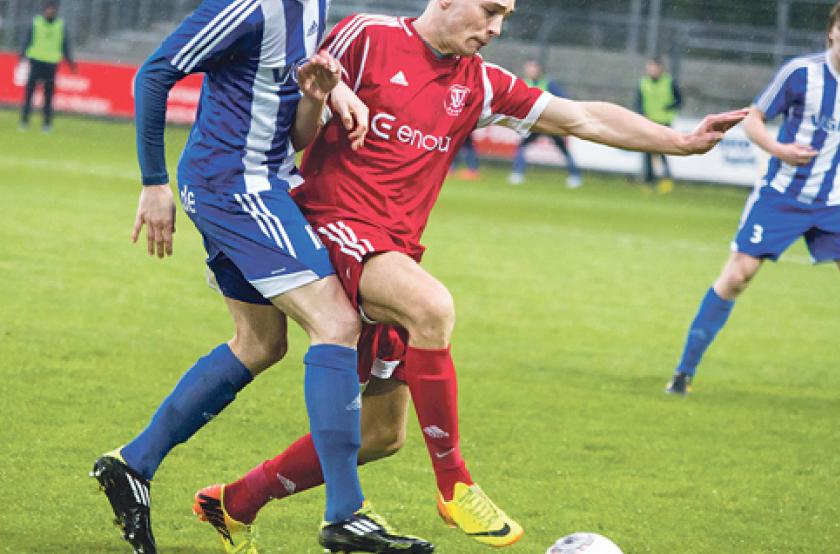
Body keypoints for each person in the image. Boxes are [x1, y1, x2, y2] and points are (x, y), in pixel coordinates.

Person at [190, 1, 747, 551]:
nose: (496, 28)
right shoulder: (365, 35)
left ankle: (234, 503)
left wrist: (679, 141)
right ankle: (455, 484)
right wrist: (325, 96)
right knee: (431, 308)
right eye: (488, 11)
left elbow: (580, 115)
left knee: (383, 435)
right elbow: (298, 108)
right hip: (332, 225)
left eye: (504, 16)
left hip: (396, 250)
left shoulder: (479, 83)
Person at [88, 2, 433, 553]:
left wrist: (318, 96)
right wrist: (153, 183)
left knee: (261, 342)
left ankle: (133, 463)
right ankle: (345, 512)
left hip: (262, 183)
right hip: (235, 187)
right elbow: (154, 73)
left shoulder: (312, 7)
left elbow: (293, 137)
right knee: (337, 322)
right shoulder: (252, 7)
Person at [664, 0, 840, 415]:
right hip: (782, 194)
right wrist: (779, 149)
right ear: (830, 32)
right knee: (737, 276)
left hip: (838, 201)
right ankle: (683, 374)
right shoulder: (801, 73)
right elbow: (754, 118)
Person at [508, 59, 582, 188]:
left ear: (538, 70)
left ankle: (575, 176)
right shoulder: (523, 83)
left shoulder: (548, 83)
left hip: (549, 124)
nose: (530, 71)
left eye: (533, 68)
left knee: (562, 149)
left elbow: (563, 98)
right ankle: (517, 174)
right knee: (522, 146)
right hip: (535, 124)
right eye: (528, 68)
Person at [18, 1, 75, 133]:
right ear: (44, 11)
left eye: (52, 10)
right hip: (36, 62)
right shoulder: (36, 22)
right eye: (48, 9)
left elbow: (65, 45)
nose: (49, 12)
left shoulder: (60, 25)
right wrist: (22, 55)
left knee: (48, 97)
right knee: (29, 94)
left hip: (51, 64)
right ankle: (24, 121)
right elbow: (27, 40)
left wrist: (70, 62)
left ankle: (47, 124)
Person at [635, 57, 682, 193]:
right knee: (648, 152)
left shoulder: (669, 81)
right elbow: (638, 101)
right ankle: (649, 182)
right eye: (650, 67)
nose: (651, 70)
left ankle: (666, 180)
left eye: (654, 67)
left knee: (662, 152)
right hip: (649, 122)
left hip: (664, 122)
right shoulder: (643, 82)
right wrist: (641, 113)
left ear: (660, 68)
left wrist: (668, 107)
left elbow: (679, 99)